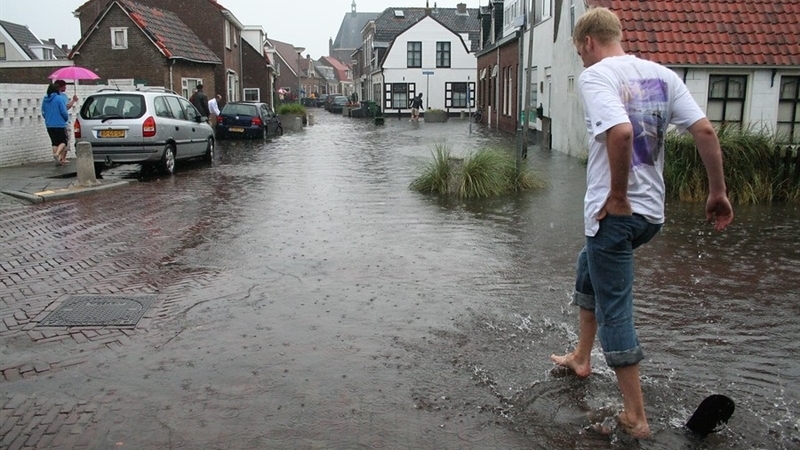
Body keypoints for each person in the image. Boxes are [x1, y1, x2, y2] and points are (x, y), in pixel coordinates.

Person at [549, 7, 733, 439]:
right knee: (587, 264)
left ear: (589, 43)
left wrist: (615, 195)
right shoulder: (663, 75)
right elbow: (705, 132)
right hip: (651, 215)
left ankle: (636, 416)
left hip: (617, 214)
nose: (583, 60)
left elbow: (622, 134)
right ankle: (581, 356)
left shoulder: (597, 76)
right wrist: (717, 192)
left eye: (580, 53)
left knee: (616, 307)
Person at [42, 83, 70, 165]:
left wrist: (48, 118)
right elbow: (64, 111)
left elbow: (43, 112)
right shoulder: (59, 99)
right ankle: (57, 154)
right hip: (59, 124)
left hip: (49, 124)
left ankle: (56, 159)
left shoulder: (45, 99)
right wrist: (65, 119)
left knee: (54, 142)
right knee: (63, 141)